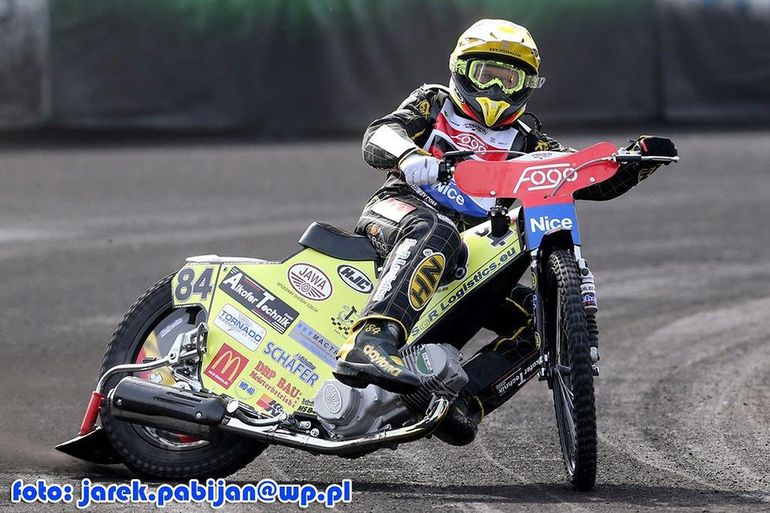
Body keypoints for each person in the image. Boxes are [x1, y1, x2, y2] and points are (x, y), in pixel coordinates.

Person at [333, 19, 677, 445]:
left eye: (508, 80)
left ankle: (464, 402)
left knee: (542, 315)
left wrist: (635, 162)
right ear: (461, 71)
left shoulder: (529, 142)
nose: (495, 90)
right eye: (486, 76)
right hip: (400, 212)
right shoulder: (433, 102)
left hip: (468, 256)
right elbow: (380, 132)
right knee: (438, 230)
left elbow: (582, 176)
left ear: (527, 85)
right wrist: (408, 155)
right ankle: (369, 341)